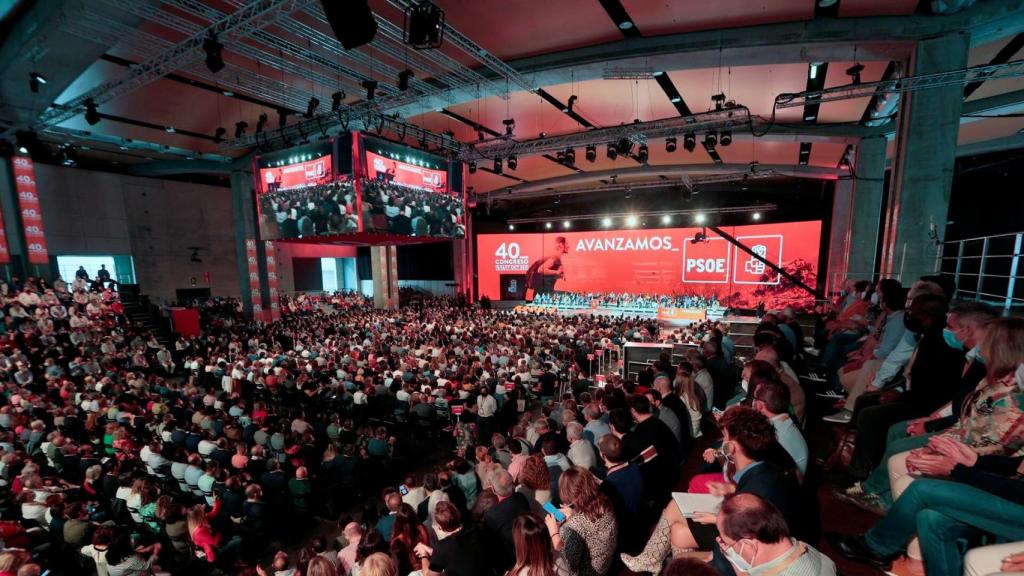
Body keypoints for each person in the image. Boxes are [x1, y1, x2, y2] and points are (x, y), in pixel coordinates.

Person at [622, 407, 802, 574]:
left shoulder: (755, 491)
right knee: (678, 532)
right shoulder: (766, 469)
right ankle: (654, 561)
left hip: (735, 552)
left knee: (674, 509)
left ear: (731, 447)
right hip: (744, 535)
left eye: (724, 438)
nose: (722, 442)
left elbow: (740, 542)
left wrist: (716, 521)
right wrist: (731, 488)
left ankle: (653, 561)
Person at [716, 493, 835, 576]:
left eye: (728, 544)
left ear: (747, 544)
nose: (729, 550)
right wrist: (732, 557)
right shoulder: (804, 548)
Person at [545, 466, 618, 576]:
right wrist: (574, 513)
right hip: (606, 562)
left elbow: (569, 563)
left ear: (570, 497)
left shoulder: (573, 527)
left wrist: (554, 533)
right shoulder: (605, 501)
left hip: (590, 572)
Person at [415, 501, 488, 576]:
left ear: (440, 528)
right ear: (458, 514)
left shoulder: (442, 547)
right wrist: (429, 550)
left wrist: (424, 556)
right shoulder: (478, 528)